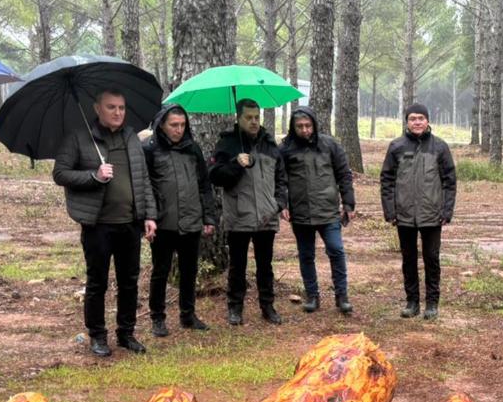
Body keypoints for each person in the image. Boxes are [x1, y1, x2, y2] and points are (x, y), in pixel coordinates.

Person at [52, 88, 157, 357]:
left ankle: (126, 333)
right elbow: (60, 173)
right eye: (111, 107)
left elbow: (143, 178)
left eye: (121, 108)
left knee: (129, 282)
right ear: (97, 109)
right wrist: (93, 175)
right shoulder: (79, 137)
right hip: (98, 224)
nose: (118, 113)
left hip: (130, 223)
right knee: (98, 282)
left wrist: (149, 215)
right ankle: (97, 335)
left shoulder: (132, 137)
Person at [209, 98, 288, 326]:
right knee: (238, 265)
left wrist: (278, 203)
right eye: (249, 118)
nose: (254, 122)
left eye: (257, 117)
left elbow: (281, 177)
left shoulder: (269, 144)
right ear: (239, 118)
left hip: (266, 215)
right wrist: (235, 164)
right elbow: (215, 176)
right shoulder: (227, 144)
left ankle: (267, 306)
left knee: (265, 265)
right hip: (239, 215)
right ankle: (235, 307)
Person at [142, 104, 218, 336]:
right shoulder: (150, 149)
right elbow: (145, 187)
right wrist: (149, 216)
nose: (178, 129)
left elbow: (204, 185)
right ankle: (157, 318)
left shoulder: (192, 148)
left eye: (182, 125)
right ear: (162, 125)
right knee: (161, 271)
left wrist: (208, 216)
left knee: (189, 271)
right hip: (163, 223)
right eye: (174, 125)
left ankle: (188, 314)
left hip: (191, 220)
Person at [379, 103, 456, 320]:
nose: (417, 122)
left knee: (432, 258)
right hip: (404, 215)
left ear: (428, 121)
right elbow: (387, 180)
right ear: (406, 121)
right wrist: (390, 210)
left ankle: (432, 303)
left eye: (421, 118)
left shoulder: (440, 147)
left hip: (432, 214)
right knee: (409, 259)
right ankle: (412, 302)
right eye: (413, 118)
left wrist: (446, 210)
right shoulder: (396, 147)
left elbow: (450, 181)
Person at [279, 106, 356, 315]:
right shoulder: (286, 148)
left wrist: (348, 203)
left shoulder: (329, 144)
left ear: (314, 124)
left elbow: (344, 174)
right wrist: (282, 204)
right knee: (306, 254)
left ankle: (342, 296)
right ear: (293, 128)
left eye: (308, 126)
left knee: (336, 250)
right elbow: (280, 179)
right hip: (300, 212)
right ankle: (312, 296)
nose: (304, 130)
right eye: (300, 127)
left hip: (328, 210)